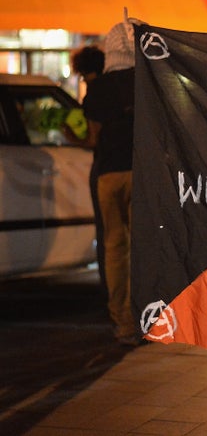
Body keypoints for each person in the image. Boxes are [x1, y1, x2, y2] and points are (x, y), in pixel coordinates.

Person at [80, 22, 137, 345]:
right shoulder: (147, 82)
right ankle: (142, 314)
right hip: (141, 173)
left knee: (115, 246)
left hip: (108, 174)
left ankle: (122, 320)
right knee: (142, 246)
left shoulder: (98, 89)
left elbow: (93, 138)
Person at [66, 46, 107, 292]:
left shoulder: (93, 96)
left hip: (105, 168)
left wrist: (70, 135)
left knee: (108, 234)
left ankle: (109, 289)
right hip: (129, 167)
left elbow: (93, 139)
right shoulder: (120, 89)